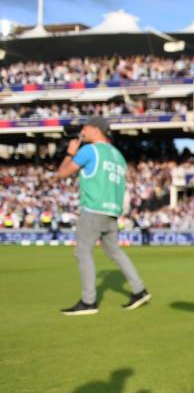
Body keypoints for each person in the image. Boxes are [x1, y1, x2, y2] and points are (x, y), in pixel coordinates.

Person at [56, 116, 151, 315]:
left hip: (93, 209)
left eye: (85, 128)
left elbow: (62, 174)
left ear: (95, 129)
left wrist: (69, 153)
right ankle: (139, 289)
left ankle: (88, 301)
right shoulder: (118, 155)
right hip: (112, 210)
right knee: (115, 252)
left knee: (82, 252)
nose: (82, 132)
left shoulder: (89, 150)